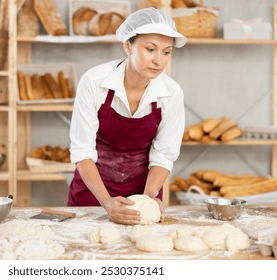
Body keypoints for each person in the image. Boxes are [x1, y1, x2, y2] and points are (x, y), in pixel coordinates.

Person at [67, 7, 187, 225]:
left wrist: (148, 200)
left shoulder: (171, 94)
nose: (158, 61)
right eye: (150, 49)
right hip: (92, 194)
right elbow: (82, 152)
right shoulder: (95, 82)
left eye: (166, 52)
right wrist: (106, 202)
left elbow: (163, 156)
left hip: (142, 194)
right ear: (128, 46)